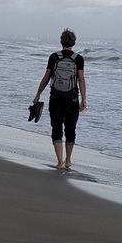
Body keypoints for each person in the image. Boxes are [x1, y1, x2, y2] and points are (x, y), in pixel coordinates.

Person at [32, 28, 86, 171]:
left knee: (56, 128)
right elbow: (81, 79)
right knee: (70, 129)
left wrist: (38, 94)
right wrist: (84, 99)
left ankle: (59, 162)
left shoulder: (54, 57)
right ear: (73, 43)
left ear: (61, 41)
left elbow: (46, 77)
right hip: (72, 98)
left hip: (55, 97)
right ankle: (68, 160)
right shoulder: (78, 59)